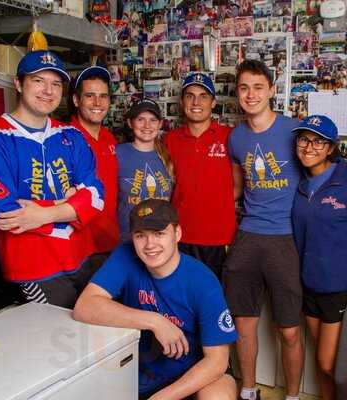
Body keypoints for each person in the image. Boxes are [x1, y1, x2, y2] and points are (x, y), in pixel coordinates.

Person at [73, 199, 238, 400]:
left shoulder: (203, 281)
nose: (150, 245)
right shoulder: (126, 255)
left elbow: (217, 362)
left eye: (159, 234)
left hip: (194, 375)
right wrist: (155, 321)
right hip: (142, 373)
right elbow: (84, 307)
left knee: (217, 397)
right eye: (141, 235)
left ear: (177, 234)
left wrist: (162, 398)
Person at [0, 50, 104, 309]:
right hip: (34, 267)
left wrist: (42, 213)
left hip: (82, 257)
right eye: (38, 81)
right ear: (18, 83)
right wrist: (68, 207)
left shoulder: (72, 135)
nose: (48, 90)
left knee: (93, 335)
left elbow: (95, 196)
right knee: (57, 342)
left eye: (56, 83)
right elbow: (6, 215)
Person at [224, 59, 303, 400]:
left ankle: (293, 395)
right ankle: (248, 391)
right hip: (248, 237)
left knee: (288, 330)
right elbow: (236, 190)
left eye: (258, 87)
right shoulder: (236, 137)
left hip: (285, 238)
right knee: (243, 325)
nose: (251, 94)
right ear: (237, 93)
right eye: (244, 88)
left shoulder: (295, 130)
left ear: (272, 89)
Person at [291, 115, 347, 400]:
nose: (308, 147)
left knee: (331, 365)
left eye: (318, 141)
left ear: (330, 148)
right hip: (309, 286)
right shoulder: (300, 186)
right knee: (322, 366)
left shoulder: (344, 180)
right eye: (303, 139)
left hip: (339, 289)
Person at [164, 72, 236, 280]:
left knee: (215, 301)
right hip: (179, 236)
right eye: (190, 95)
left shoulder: (229, 136)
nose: (196, 102)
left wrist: (216, 205)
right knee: (182, 300)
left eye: (203, 96)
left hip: (219, 239)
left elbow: (239, 185)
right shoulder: (169, 140)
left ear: (213, 102)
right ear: (182, 101)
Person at [69, 66, 119, 288]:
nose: (98, 103)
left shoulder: (110, 138)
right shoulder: (63, 138)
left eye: (103, 96)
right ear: (76, 100)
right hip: (78, 248)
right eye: (90, 96)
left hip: (110, 243)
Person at [116, 99, 174, 242]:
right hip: (127, 237)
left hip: (160, 240)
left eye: (153, 120)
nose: (147, 125)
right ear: (130, 123)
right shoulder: (118, 153)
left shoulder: (169, 154)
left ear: (160, 124)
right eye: (140, 119)